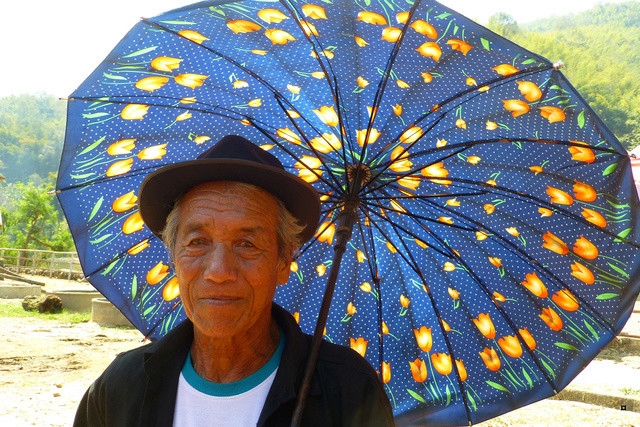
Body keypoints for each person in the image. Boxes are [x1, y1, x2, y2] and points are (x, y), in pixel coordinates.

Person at [74, 135, 395, 426]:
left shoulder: (347, 391)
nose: (218, 271)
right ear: (173, 259)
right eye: (197, 241)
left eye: (247, 244)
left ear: (284, 262)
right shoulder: (121, 387)